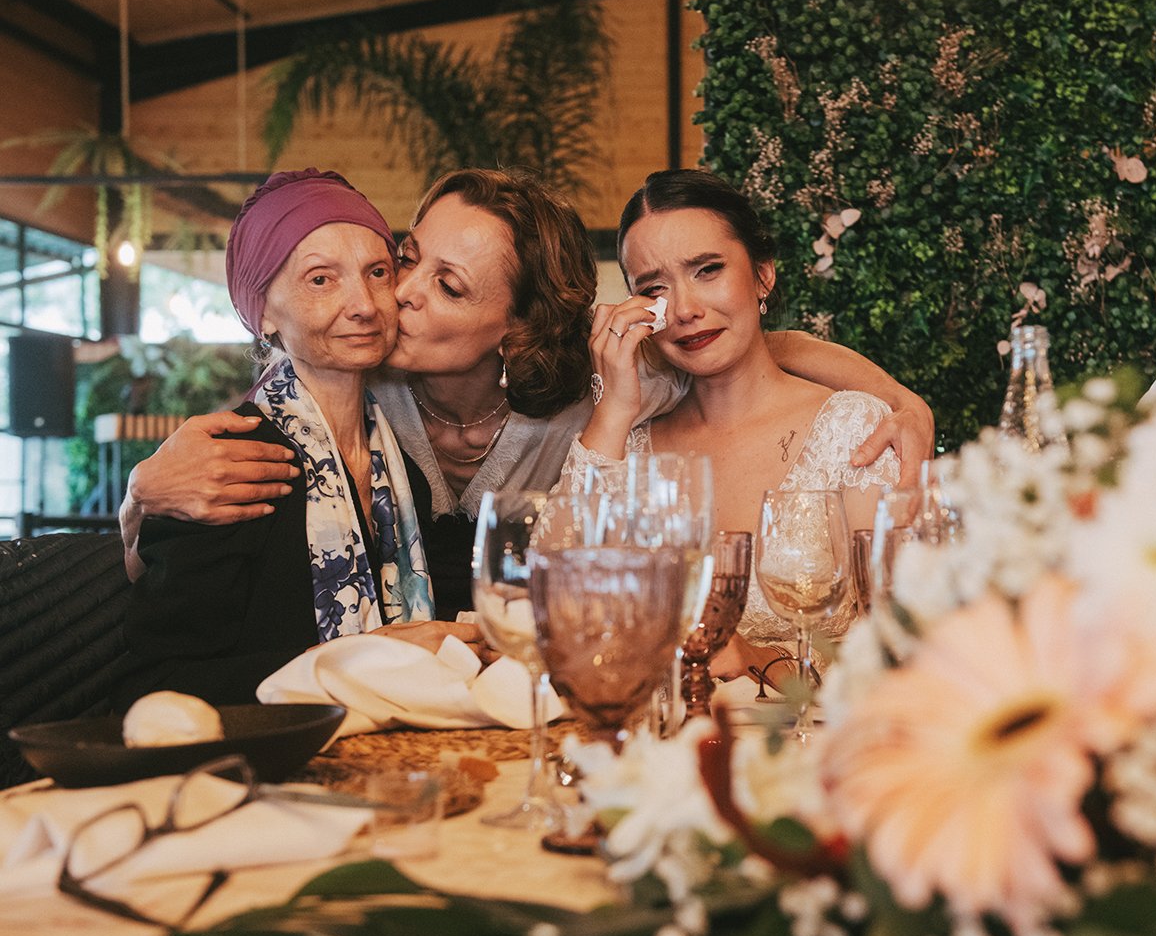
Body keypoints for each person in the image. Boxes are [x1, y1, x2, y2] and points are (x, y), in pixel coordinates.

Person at [119, 169, 934, 616]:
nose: (395, 295)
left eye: (449, 286)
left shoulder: (597, 385)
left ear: (513, 329)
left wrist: (898, 399)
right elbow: (255, 424)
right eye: (407, 258)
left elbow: (747, 349)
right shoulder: (357, 372)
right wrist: (140, 488)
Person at [116, 169, 473, 707]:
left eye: (377, 272)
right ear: (261, 313)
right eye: (320, 280)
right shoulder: (225, 468)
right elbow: (157, 687)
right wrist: (364, 659)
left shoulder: (404, 477)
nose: (364, 305)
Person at [564, 168, 901, 679]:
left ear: (763, 275)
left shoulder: (853, 430)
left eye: (707, 270)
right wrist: (612, 409)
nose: (684, 310)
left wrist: (758, 661)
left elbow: (898, 659)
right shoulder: (627, 451)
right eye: (654, 288)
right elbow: (561, 611)